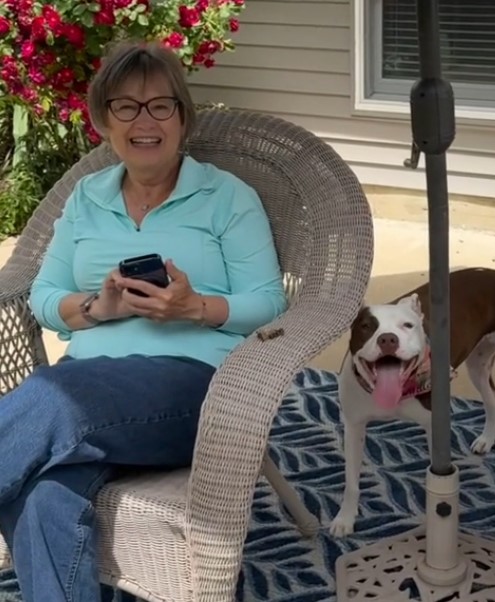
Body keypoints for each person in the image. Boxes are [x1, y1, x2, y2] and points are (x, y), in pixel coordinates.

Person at [0, 39, 287, 601]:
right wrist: (96, 308)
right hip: (89, 388)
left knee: (54, 395)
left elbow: (269, 303)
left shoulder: (227, 198)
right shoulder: (86, 196)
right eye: (126, 107)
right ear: (105, 120)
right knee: (42, 494)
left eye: (161, 105)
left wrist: (193, 307)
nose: (144, 120)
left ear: (183, 116)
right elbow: (44, 295)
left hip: (191, 388)